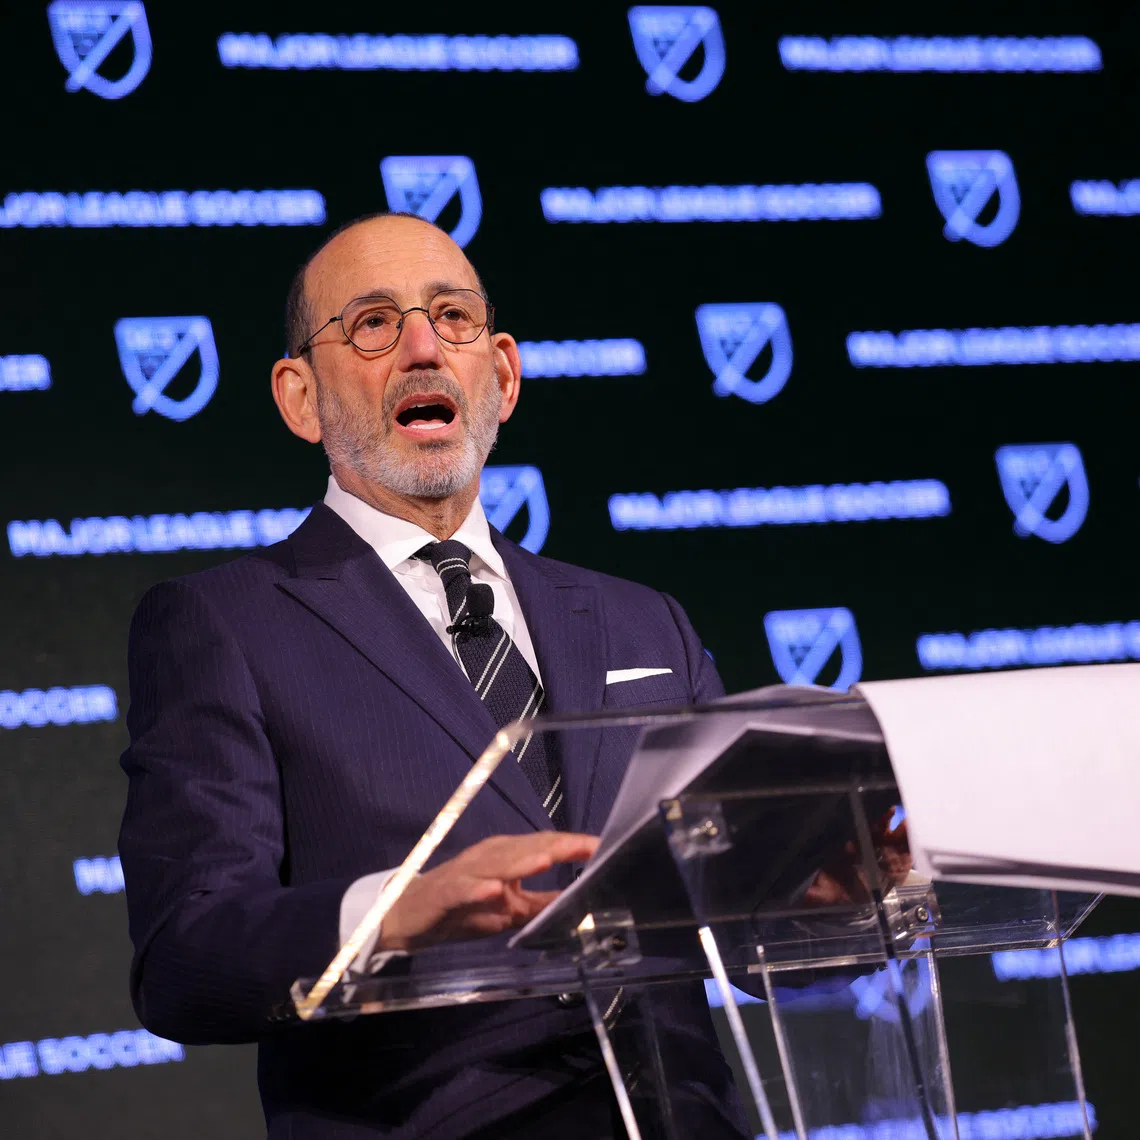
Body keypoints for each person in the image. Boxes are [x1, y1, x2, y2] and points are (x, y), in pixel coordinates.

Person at [118, 212, 753, 1139]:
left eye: (451, 317)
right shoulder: (225, 623)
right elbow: (184, 959)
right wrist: (402, 910)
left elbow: (757, 925)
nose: (422, 347)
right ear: (300, 397)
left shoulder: (639, 616)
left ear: (500, 375)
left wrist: (827, 875)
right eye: (373, 324)